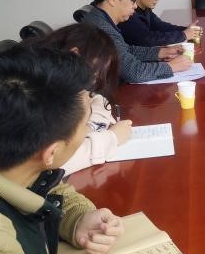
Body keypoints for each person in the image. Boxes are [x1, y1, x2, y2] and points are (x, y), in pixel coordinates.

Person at [0, 46, 191, 254]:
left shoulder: (6, 162)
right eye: (86, 125)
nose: (89, 130)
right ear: (51, 153)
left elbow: (41, 186)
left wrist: (76, 218)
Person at [29, 23, 133, 175]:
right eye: (95, 72)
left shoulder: (54, 75)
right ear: (75, 55)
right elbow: (49, 165)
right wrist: (111, 138)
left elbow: (97, 99)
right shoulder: (33, 92)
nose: (94, 81)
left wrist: (89, 129)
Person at [82, 0, 192, 83]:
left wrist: (161, 52)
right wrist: (171, 67)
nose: (135, 6)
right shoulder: (101, 30)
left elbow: (127, 50)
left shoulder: (101, 19)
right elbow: (134, 72)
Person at [119, 0, 201, 46]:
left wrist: (186, 30)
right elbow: (147, 39)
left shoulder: (145, 9)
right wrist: (184, 35)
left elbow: (161, 26)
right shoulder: (129, 14)